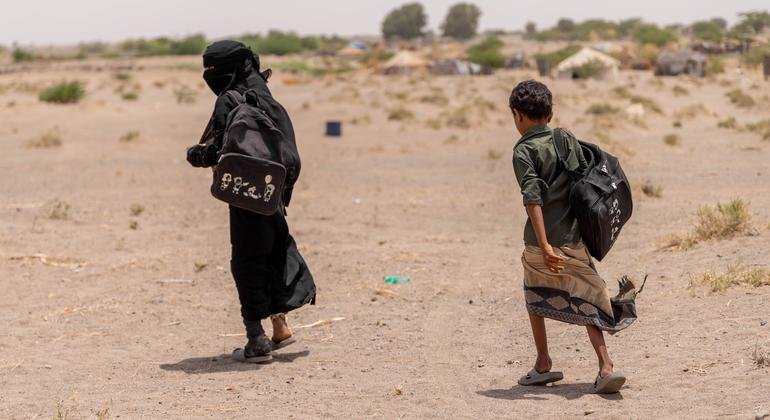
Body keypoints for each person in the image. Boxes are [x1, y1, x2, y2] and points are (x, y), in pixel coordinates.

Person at [509, 80, 642, 393]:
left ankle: (543, 363)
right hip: (573, 237)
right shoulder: (564, 139)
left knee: (534, 294)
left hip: (540, 241)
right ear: (550, 114)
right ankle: (605, 366)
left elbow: (532, 197)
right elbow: (583, 178)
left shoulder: (524, 150)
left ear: (517, 115)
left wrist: (544, 245)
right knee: (588, 296)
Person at [186, 40, 312, 363]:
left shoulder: (229, 99)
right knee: (275, 249)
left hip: (246, 193)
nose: (209, 75)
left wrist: (196, 155)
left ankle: (256, 341)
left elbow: (217, 153)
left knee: (247, 259)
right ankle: (280, 327)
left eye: (212, 69)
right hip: (273, 192)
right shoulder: (265, 96)